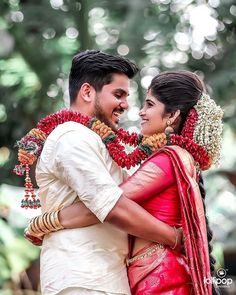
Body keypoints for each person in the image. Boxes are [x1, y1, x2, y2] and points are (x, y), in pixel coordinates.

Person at [25, 71, 223, 294]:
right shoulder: (176, 157)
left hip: (160, 274)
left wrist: (45, 222)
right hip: (155, 270)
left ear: (172, 115)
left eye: (149, 105)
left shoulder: (167, 159)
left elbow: (107, 205)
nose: (141, 111)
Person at [15, 50, 180, 295]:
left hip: (104, 276)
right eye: (118, 94)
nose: (125, 105)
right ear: (87, 92)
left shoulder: (96, 139)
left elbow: (130, 195)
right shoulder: (71, 136)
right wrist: (176, 238)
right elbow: (113, 207)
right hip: (81, 277)